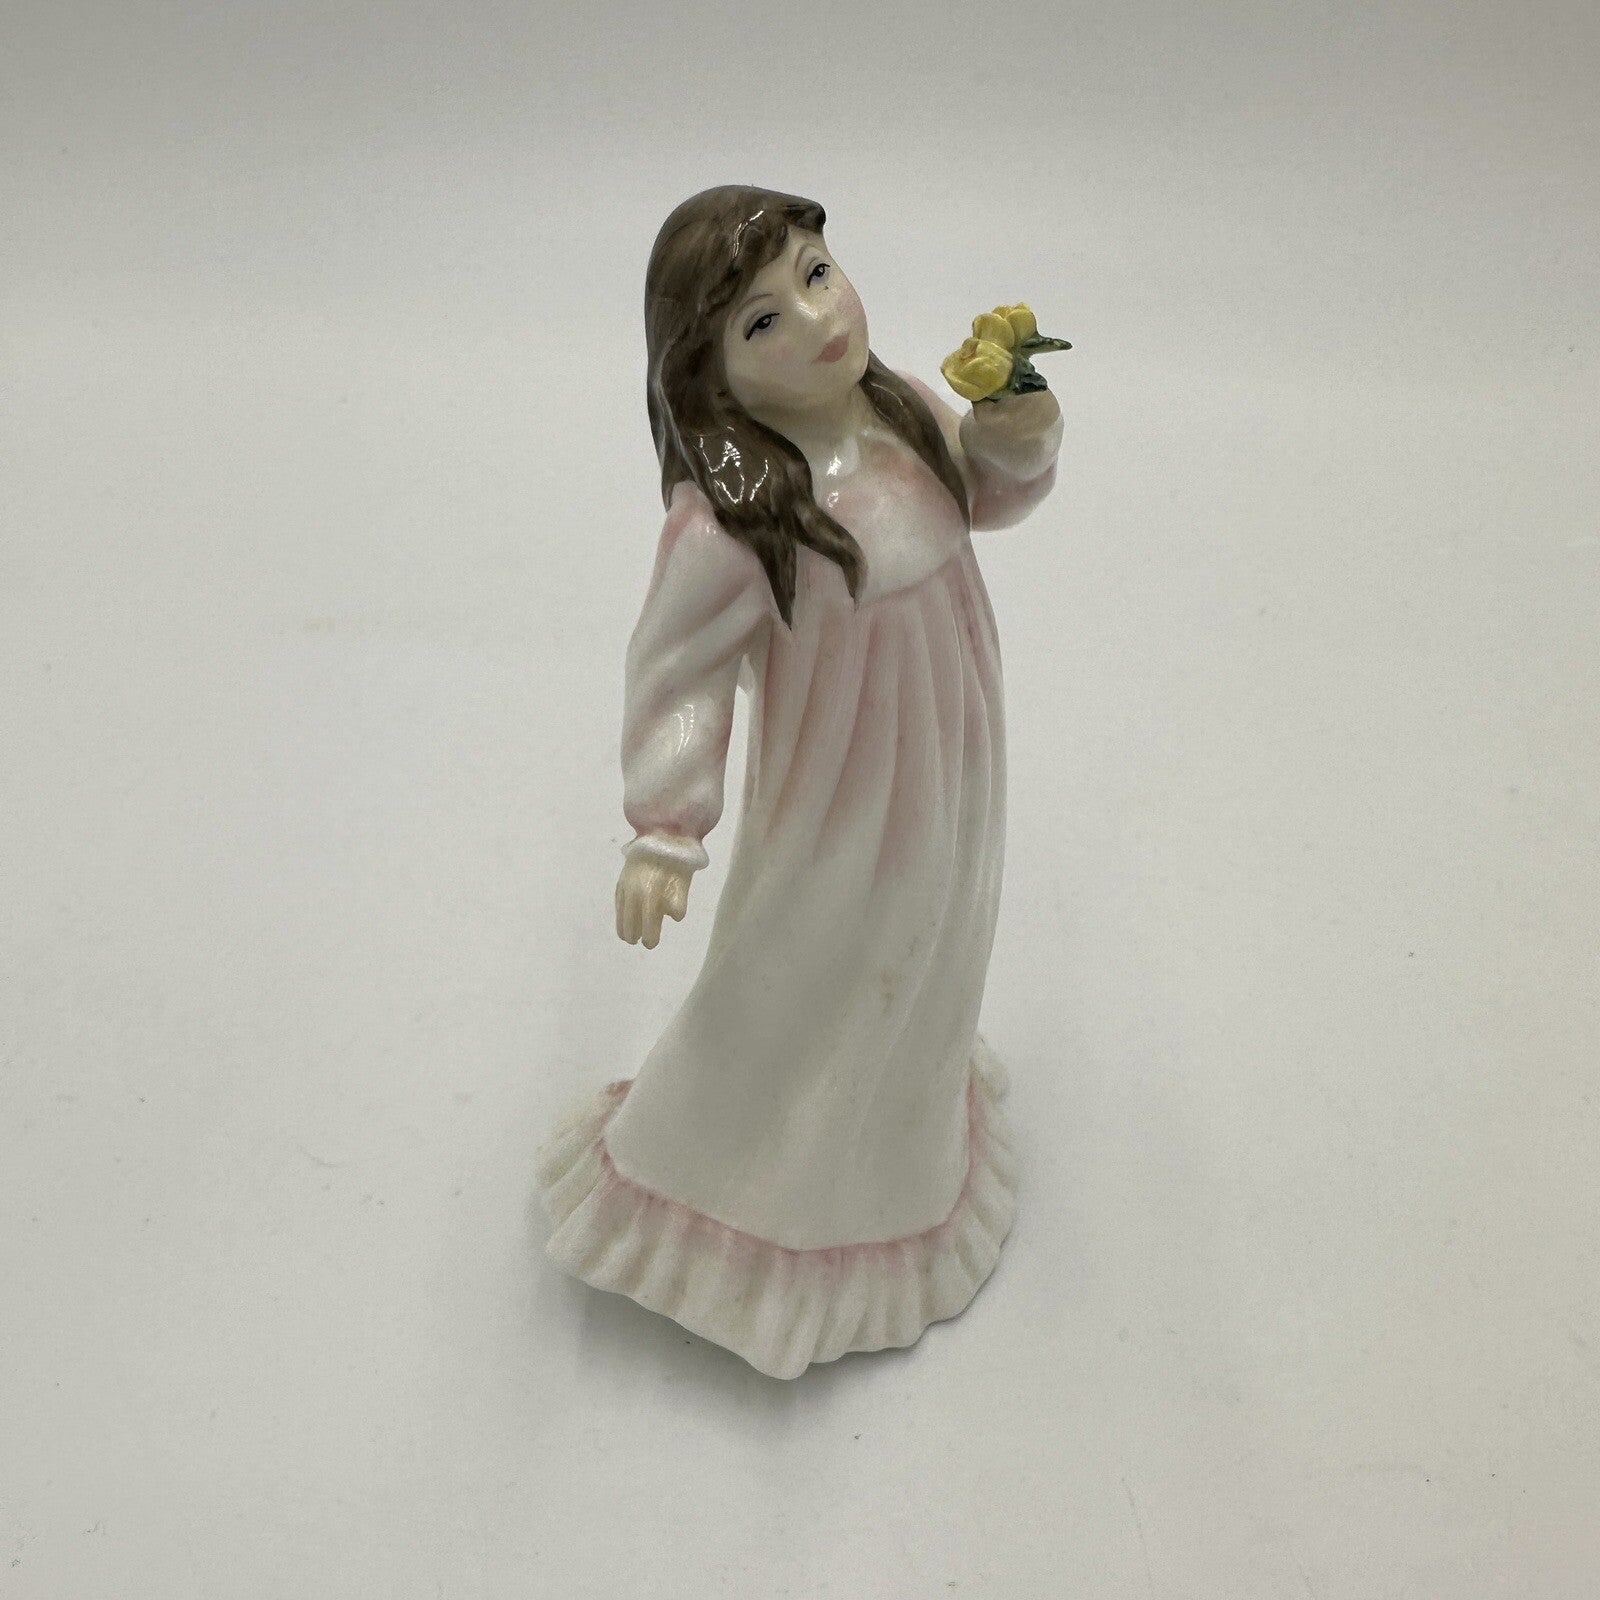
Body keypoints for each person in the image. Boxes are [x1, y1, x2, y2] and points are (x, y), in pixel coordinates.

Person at [536, 185, 1064, 1379]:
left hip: (952, 761)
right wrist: (664, 830)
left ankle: (898, 1134)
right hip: (842, 801)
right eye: (763, 322)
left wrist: (1013, 426)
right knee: (806, 969)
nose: (816, 320)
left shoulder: (903, 413)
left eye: (816, 275)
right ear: (709, 372)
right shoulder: (733, 522)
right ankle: (745, 1201)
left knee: (926, 946)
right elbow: (678, 671)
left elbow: (986, 499)